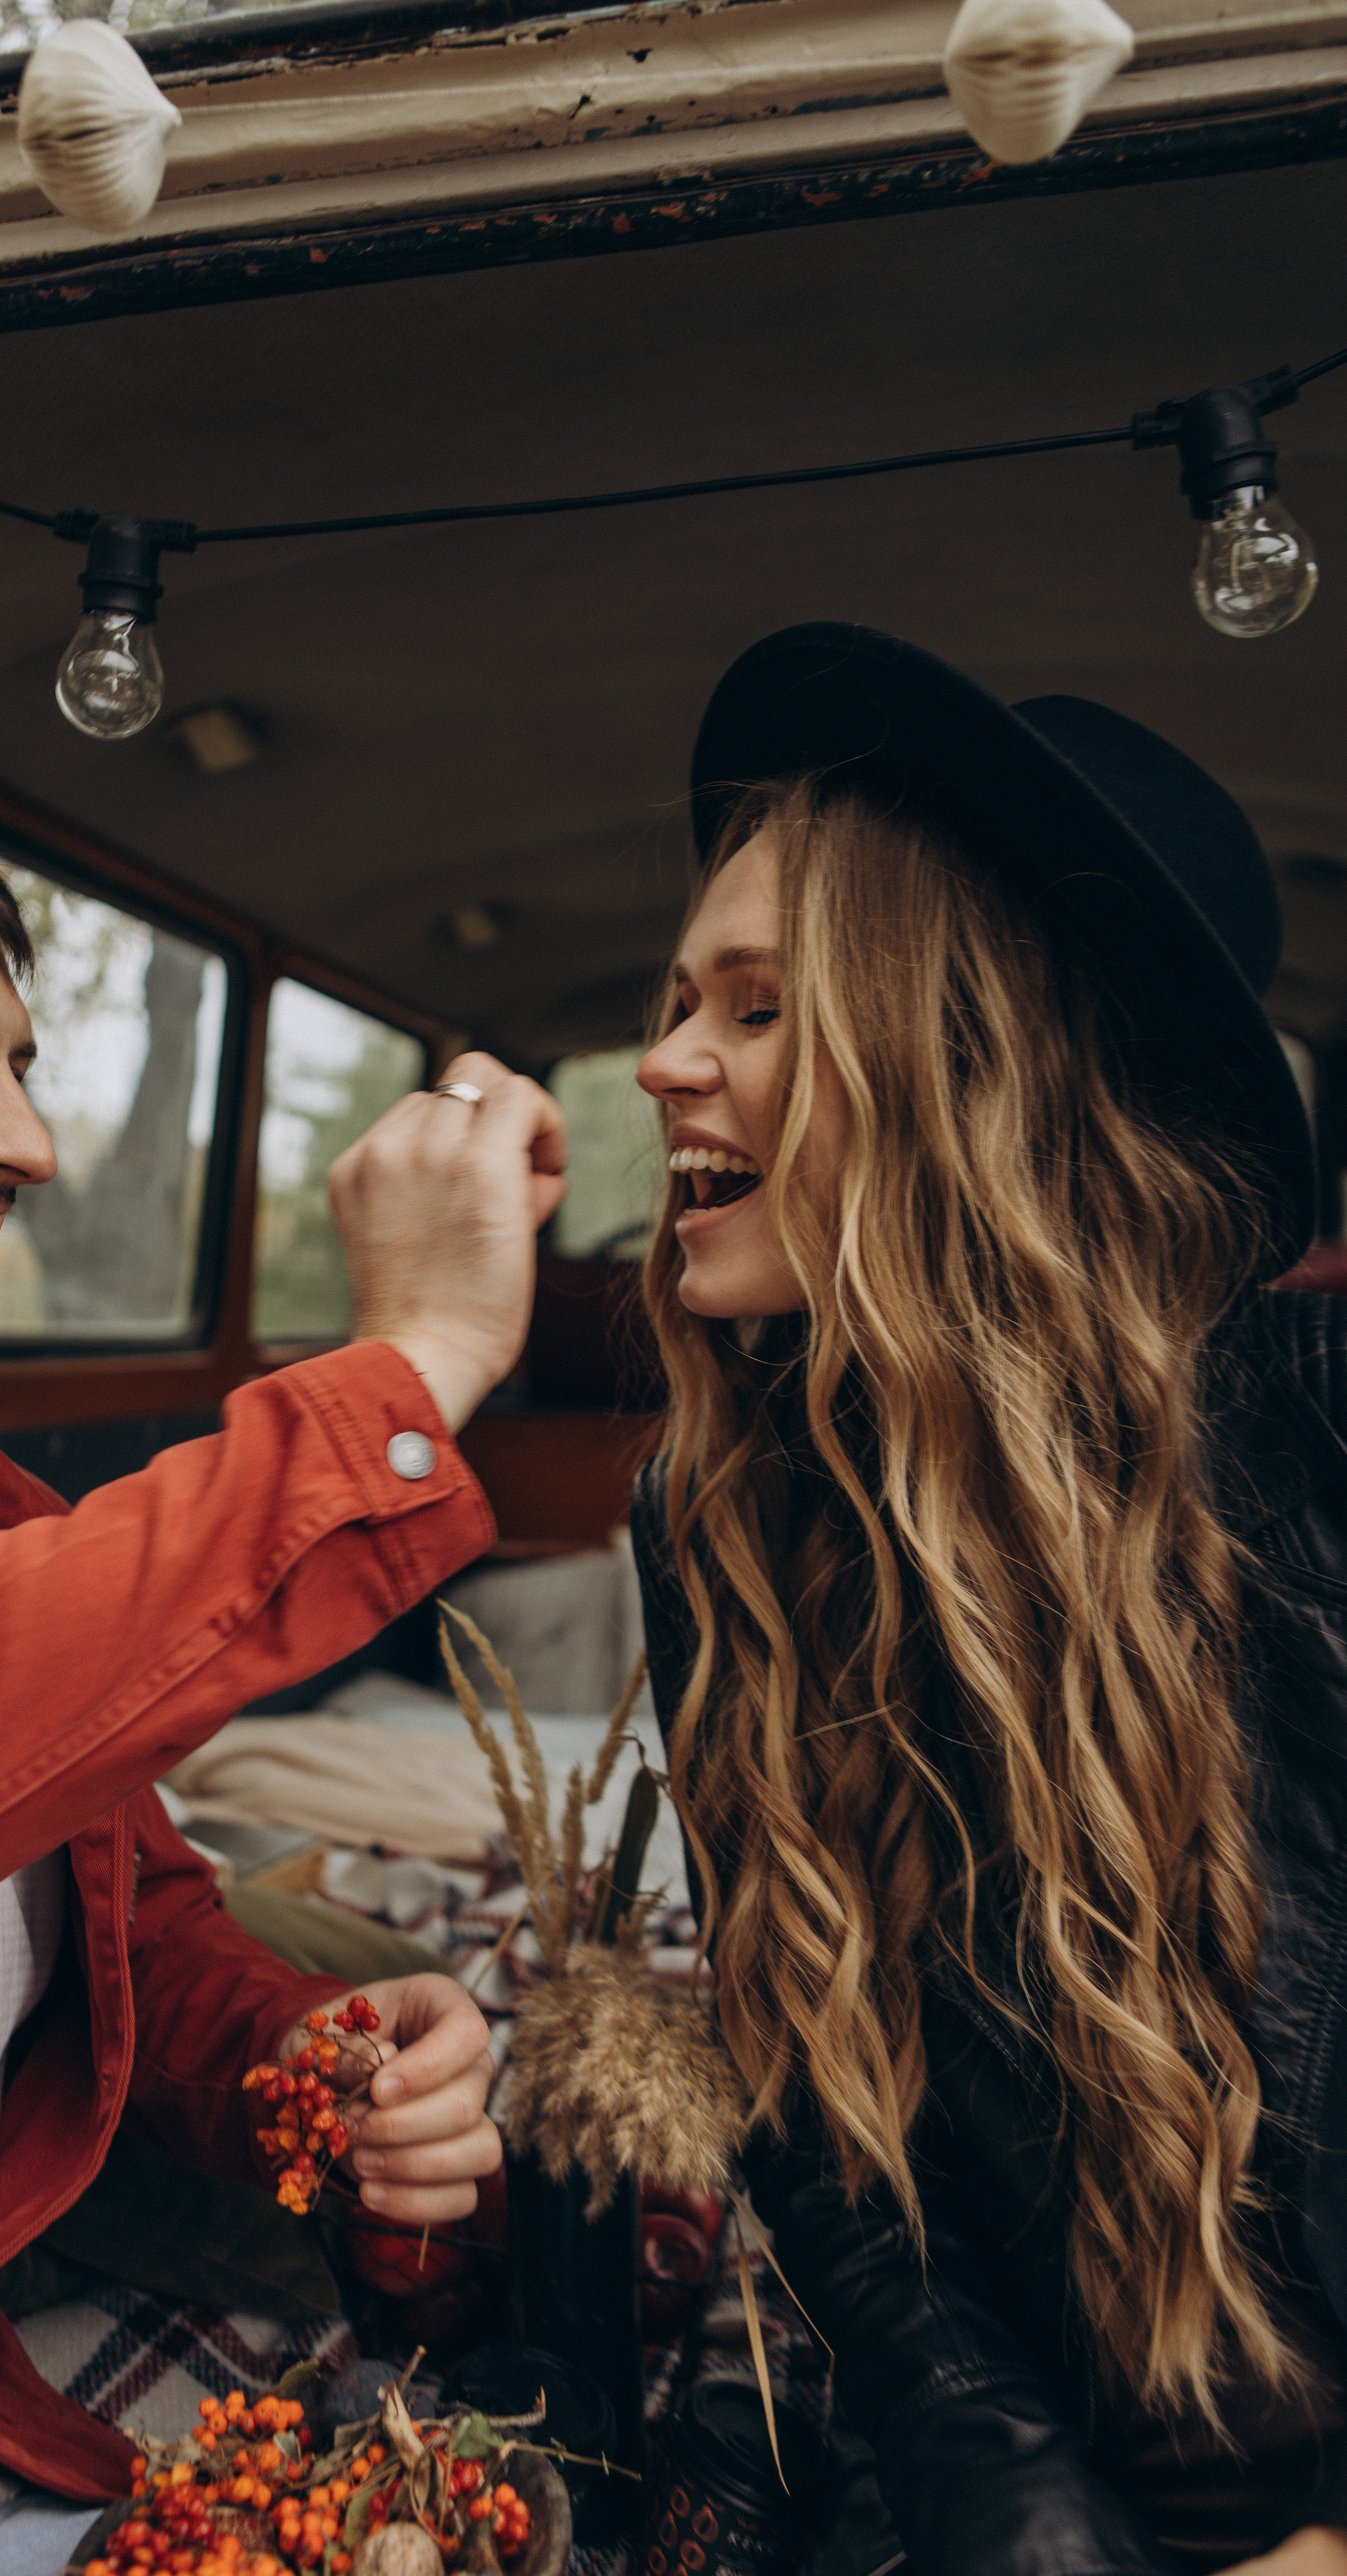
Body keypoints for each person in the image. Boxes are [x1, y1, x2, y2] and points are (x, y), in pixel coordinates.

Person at [0, 798, 565, 2576]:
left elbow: (130, 1930)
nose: (32, 1141)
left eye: (25, 1067)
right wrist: (414, 1365)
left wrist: (317, 2063)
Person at [627, 626, 1347, 2576]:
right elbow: (819, 2128)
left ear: (967, 1073)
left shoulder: (1315, 1445)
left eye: (755, 1010)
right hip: (1026, 2474)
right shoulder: (714, 1517)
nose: (662, 1059)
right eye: (685, 997)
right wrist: (1024, 2516)